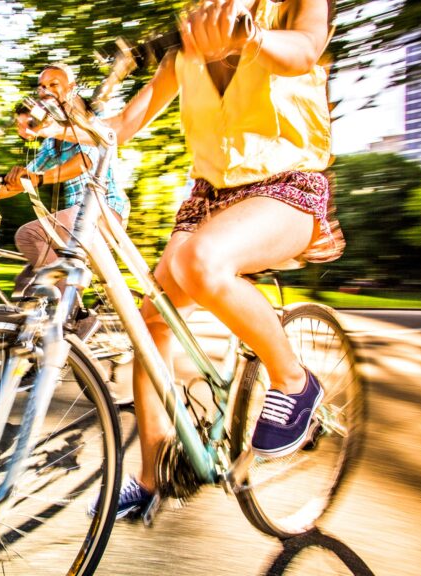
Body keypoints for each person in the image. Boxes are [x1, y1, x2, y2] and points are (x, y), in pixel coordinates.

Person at [74, 0, 344, 519]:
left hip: (286, 187)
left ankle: (294, 380)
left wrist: (249, 38)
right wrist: (65, 122)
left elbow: (305, 49)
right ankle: (153, 478)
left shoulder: (289, 10)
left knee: (199, 262)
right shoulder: (186, 46)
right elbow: (122, 125)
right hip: (210, 200)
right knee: (149, 321)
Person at [0, 63, 130, 301]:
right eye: (41, 86)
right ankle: (70, 327)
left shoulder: (87, 120)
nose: (46, 90)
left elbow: (85, 162)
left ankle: (71, 302)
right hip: (76, 217)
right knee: (26, 287)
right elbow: (20, 184)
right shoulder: (51, 143)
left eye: (54, 84)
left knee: (28, 236)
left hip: (104, 211)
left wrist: (39, 178)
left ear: (71, 88)